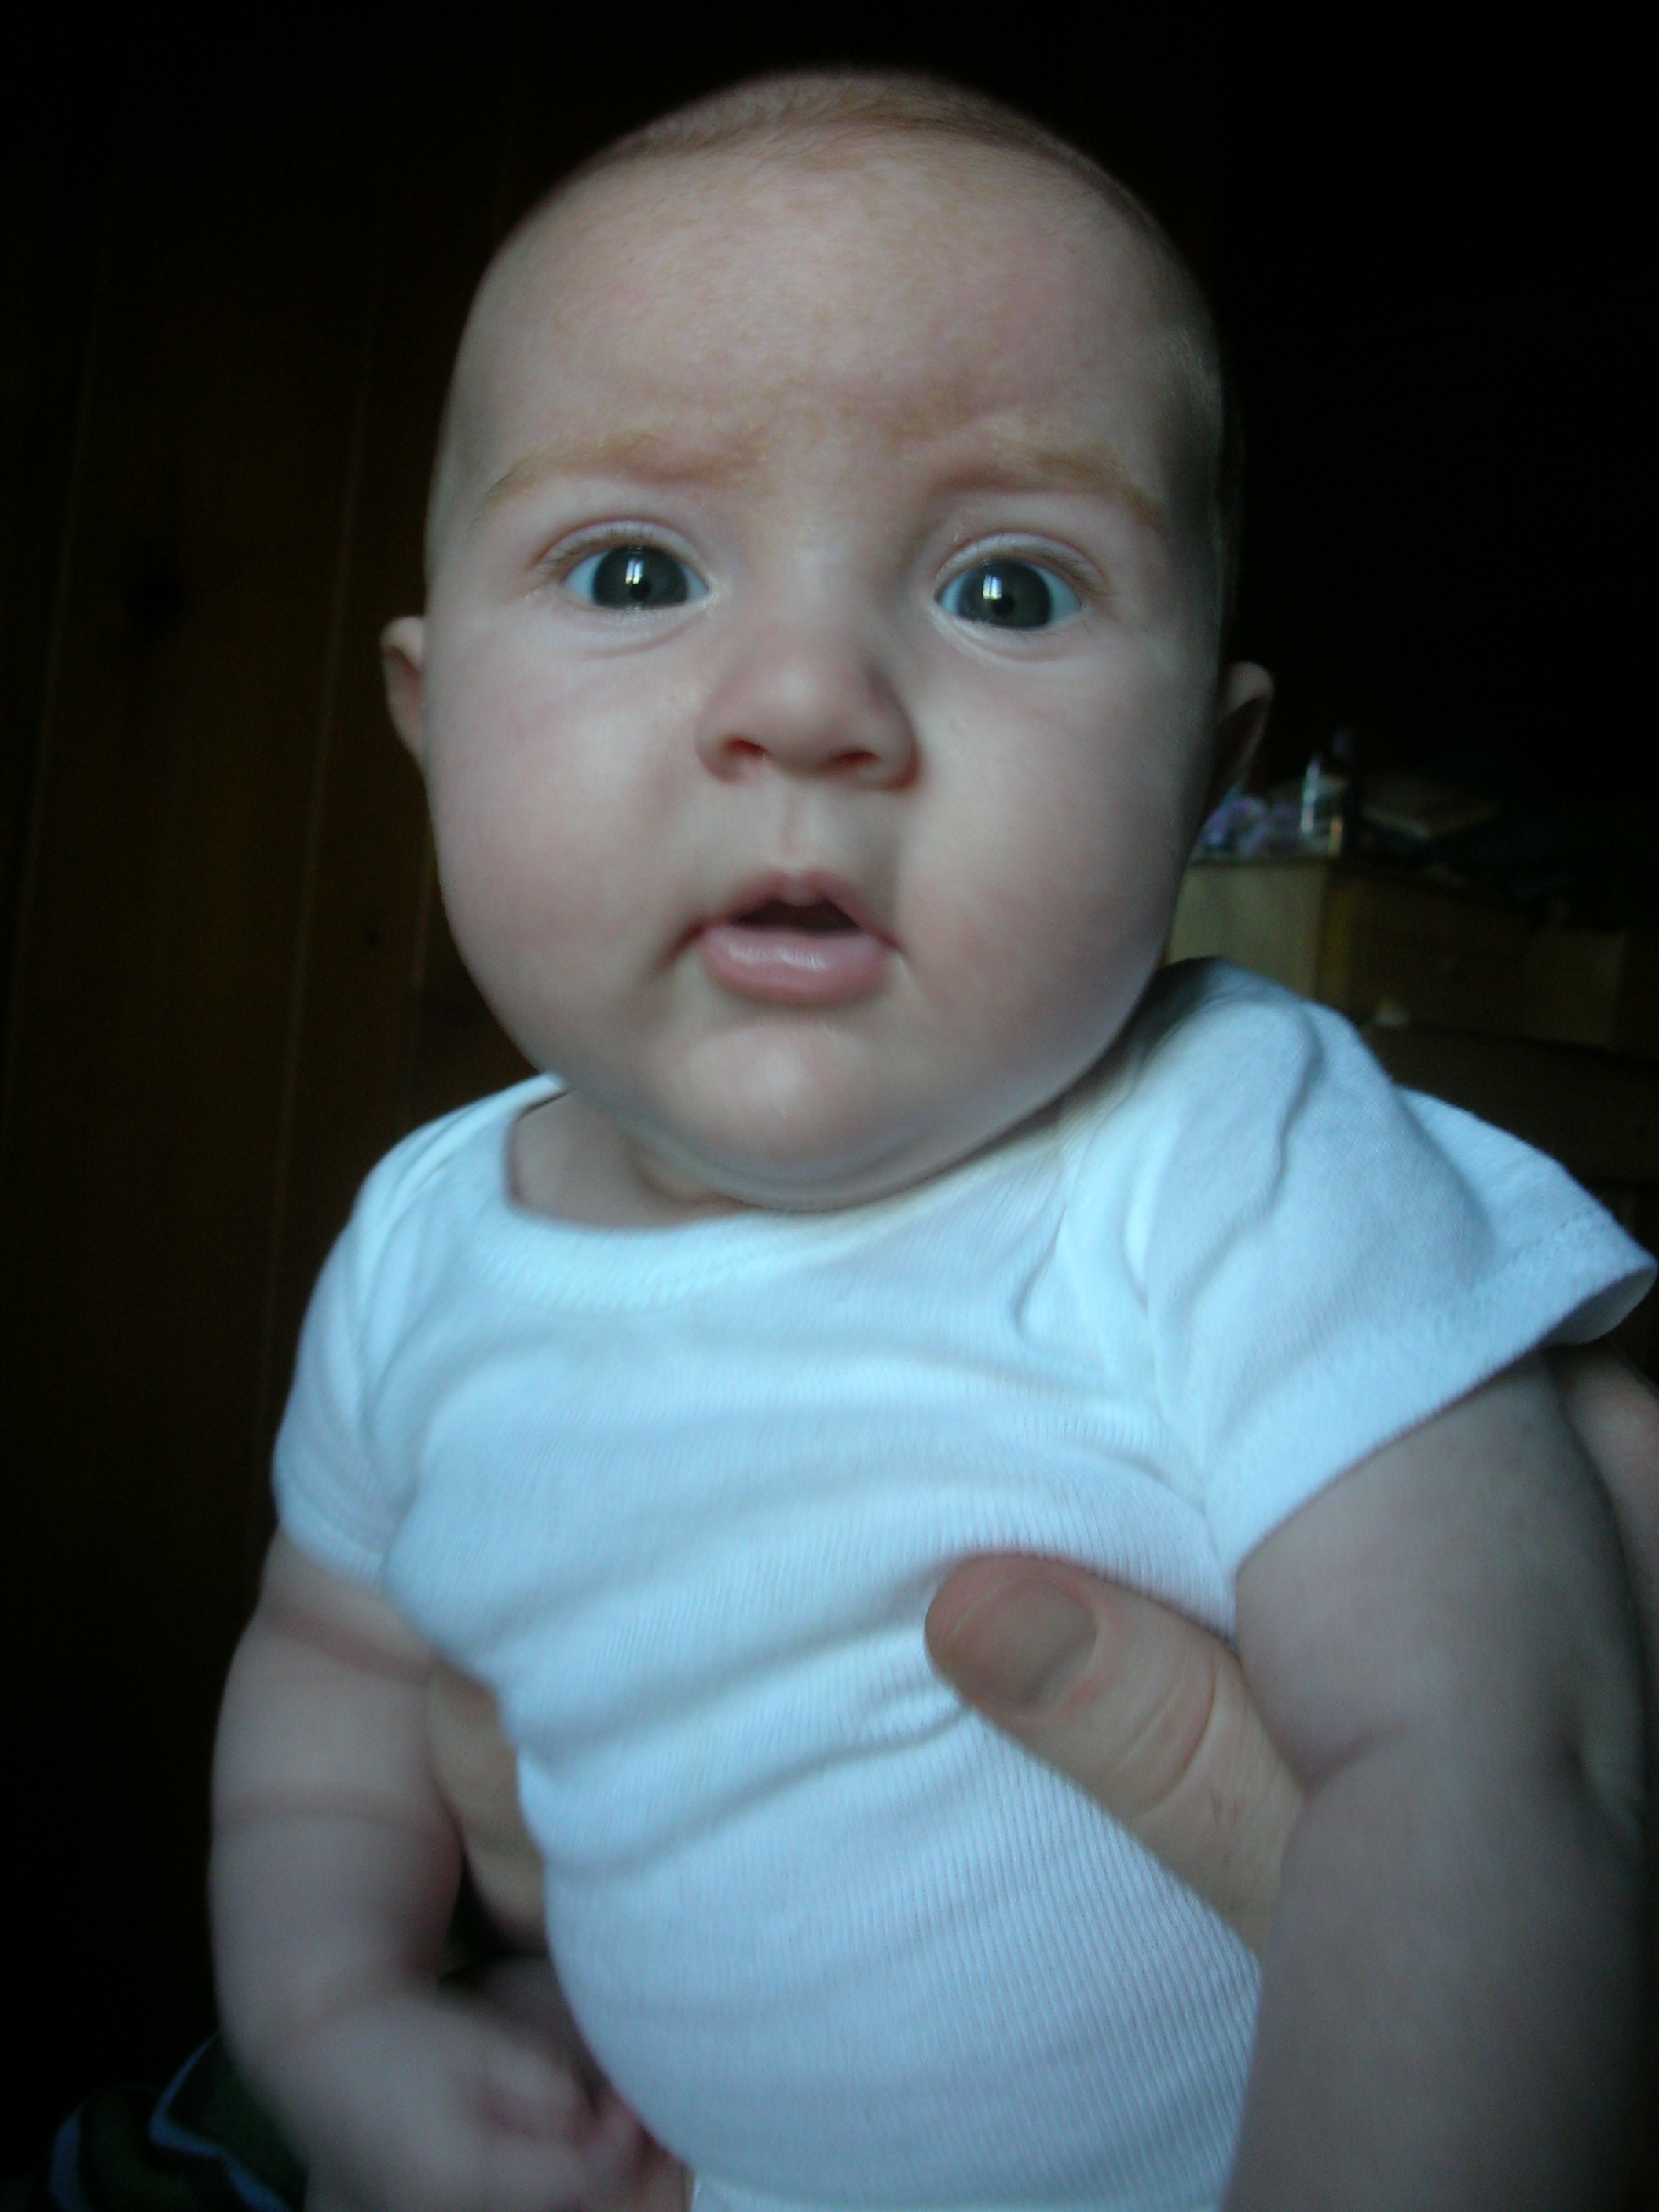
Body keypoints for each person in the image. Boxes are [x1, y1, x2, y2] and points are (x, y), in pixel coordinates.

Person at [209, 68, 1654, 2212]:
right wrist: (332, 2020)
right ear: (428, 721)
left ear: (1204, 769)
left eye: (1009, 592)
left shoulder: (1232, 1159)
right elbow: (334, 1671)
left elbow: (1496, 1758)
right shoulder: (423, 1250)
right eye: (633, 567)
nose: (808, 700)